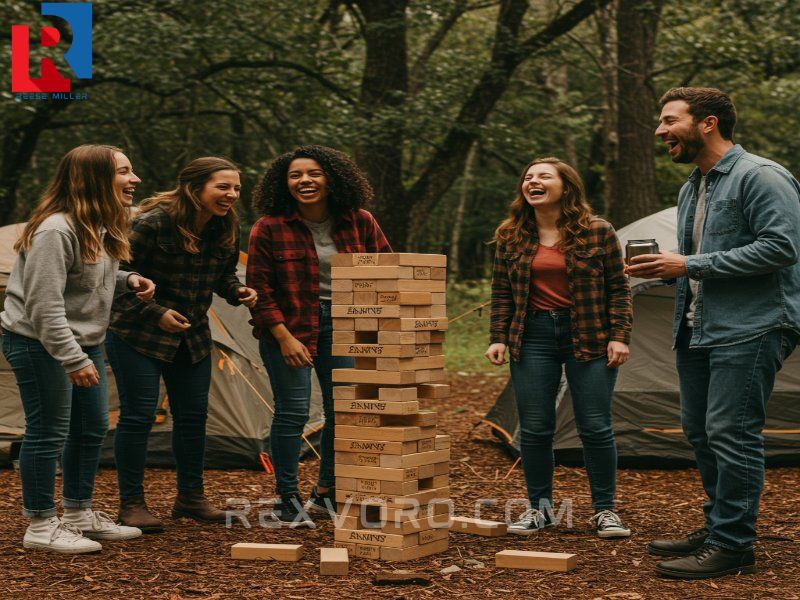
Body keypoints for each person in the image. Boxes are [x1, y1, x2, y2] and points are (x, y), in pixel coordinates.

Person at [629, 87, 800, 579]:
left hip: (753, 325)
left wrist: (690, 263)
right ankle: (720, 523)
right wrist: (669, 271)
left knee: (732, 433)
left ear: (707, 123)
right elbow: (700, 263)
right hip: (698, 327)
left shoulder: (761, 176)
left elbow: (782, 247)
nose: (660, 131)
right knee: (701, 433)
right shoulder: (692, 187)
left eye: (669, 121)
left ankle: (734, 544)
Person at [1, 144, 154, 553]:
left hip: (83, 341)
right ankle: (39, 524)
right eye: (124, 171)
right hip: (38, 343)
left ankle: (78, 514)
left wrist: (128, 280)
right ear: (94, 179)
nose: (134, 179)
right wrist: (72, 358)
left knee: (89, 430)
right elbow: (43, 304)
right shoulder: (56, 230)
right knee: (48, 432)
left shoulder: (98, 224)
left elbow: (84, 280)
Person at [106, 157, 257, 533]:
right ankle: (131, 504)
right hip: (137, 333)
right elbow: (113, 278)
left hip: (193, 335)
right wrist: (156, 312)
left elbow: (223, 275)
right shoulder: (151, 223)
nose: (232, 195)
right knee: (138, 416)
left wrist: (237, 290)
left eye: (236, 188)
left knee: (193, 418)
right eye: (223, 187)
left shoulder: (225, 224)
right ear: (195, 188)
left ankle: (190, 498)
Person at [485, 157, 632, 538]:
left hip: (589, 334)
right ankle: (540, 509)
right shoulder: (510, 235)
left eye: (543, 176)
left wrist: (620, 335)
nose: (532, 181)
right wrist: (497, 336)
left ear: (565, 187)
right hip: (531, 335)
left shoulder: (597, 231)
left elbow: (618, 288)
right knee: (534, 429)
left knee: (595, 426)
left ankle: (605, 510)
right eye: (528, 177)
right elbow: (501, 292)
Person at [247, 145, 391, 526]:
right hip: (289, 327)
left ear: (332, 179)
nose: (304, 181)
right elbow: (258, 290)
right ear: (284, 183)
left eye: (313, 174)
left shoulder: (360, 221)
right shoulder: (269, 226)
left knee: (341, 411)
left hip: (347, 325)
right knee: (293, 412)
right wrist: (284, 338)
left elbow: (387, 271)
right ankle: (286, 498)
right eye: (295, 175)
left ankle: (325, 492)